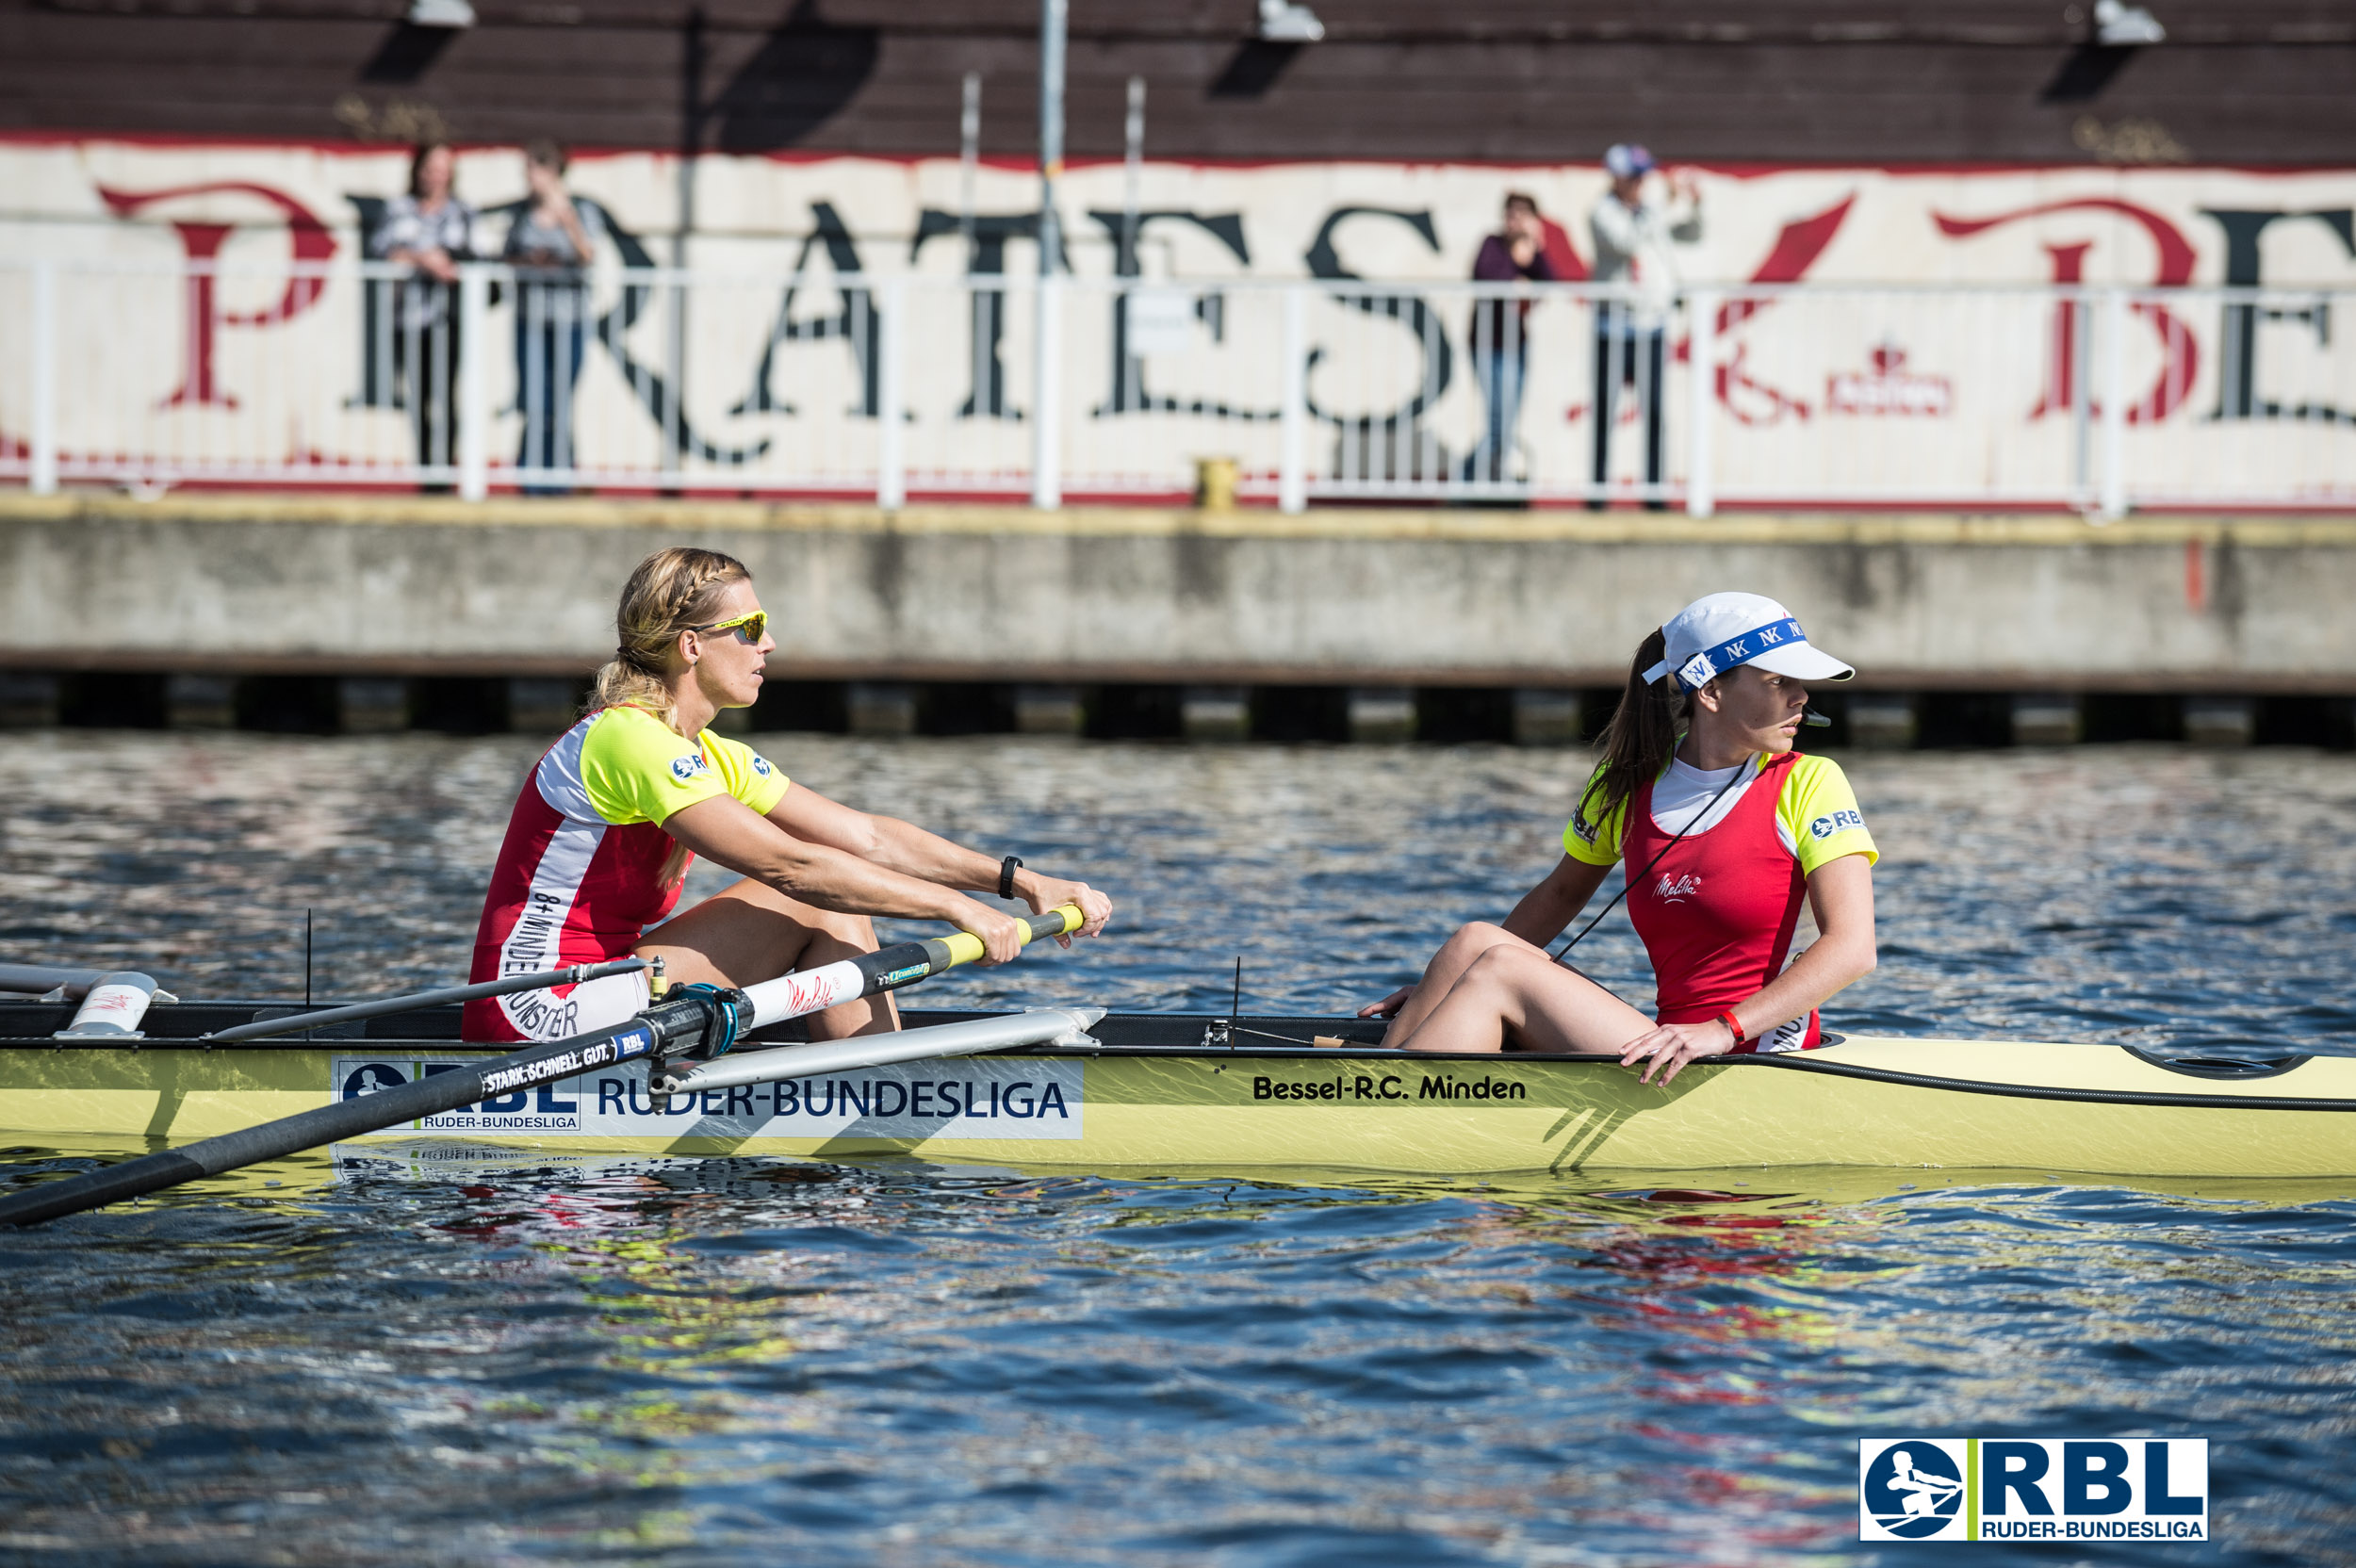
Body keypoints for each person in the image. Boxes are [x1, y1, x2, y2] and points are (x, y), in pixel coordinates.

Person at [462, 547, 1115, 1043]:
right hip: (535, 1007)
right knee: (818, 902)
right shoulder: (626, 739)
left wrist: (1018, 882)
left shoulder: (707, 752)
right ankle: (884, 1105)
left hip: (610, 982)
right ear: (691, 645)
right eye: (750, 627)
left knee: (835, 896)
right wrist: (954, 909)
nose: (768, 642)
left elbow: (869, 837)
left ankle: (879, 1089)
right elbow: (791, 868)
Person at [1361, 591, 1876, 1085]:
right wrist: (1444, 988)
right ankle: (1372, 1094)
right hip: (1669, 1043)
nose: (1802, 696)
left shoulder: (1811, 782)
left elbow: (1853, 948)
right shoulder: (1626, 785)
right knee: (1475, 943)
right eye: (1777, 680)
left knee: (1499, 969)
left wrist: (1723, 1030)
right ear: (1711, 691)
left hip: (1746, 1050)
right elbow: (1560, 893)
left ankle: (1374, 1112)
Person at [1588, 144, 1703, 510]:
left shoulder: (1649, 212)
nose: (1642, 184)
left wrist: (1694, 203)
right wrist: (1665, 207)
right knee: (1605, 412)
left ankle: (1654, 495)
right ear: (1619, 179)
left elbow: (1692, 233)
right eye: (1636, 177)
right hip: (1613, 327)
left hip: (1650, 326)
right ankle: (1598, 494)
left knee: (1654, 411)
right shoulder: (1601, 213)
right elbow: (1627, 241)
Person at [368, 140, 483, 492]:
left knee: (447, 396)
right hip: (410, 318)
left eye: (442, 169)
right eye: (430, 168)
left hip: (449, 318)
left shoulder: (463, 212)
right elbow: (382, 253)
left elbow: (478, 260)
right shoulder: (399, 209)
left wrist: (447, 266)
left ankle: (444, 472)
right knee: (419, 397)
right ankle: (426, 474)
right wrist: (425, 260)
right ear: (418, 171)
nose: (435, 176)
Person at [503, 139, 604, 496]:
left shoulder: (580, 210)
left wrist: (568, 222)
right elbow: (508, 256)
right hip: (530, 318)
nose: (528, 178)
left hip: (569, 321)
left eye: (533, 169)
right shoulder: (522, 214)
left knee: (560, 400)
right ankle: (531, 480)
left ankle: (560, 479)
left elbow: (589, 255)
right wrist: (534, 261)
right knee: (533, 399)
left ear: (551, 171)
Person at [1464, 192, 1558, 485]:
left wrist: (1535, 251)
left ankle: (1490, 477)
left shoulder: (1530, 249)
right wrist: (1514, 266)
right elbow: (1485, 277)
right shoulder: (1491, 244)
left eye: (1521, 214)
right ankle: (1478, 479)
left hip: (1516, 343)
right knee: (1497, 417)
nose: (1514, 219)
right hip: (1487, 342)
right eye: (1510, 213)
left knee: (1508, 417)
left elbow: (1549, 281)